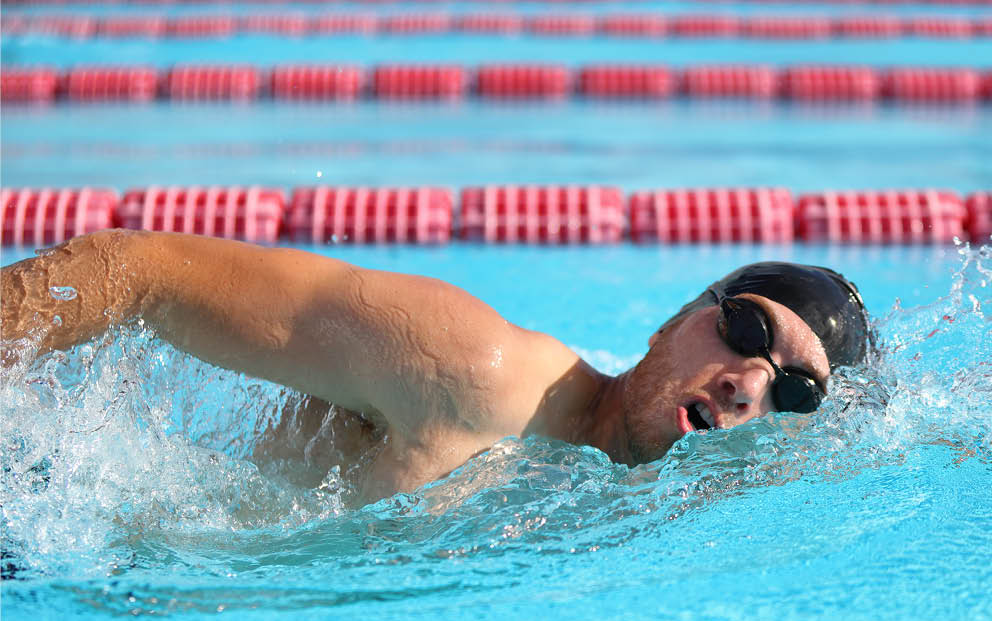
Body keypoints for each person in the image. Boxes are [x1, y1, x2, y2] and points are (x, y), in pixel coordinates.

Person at [1, 229, 870, 501]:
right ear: (675, 320)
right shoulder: (472, 371)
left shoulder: (699, 510)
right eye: (749, 333)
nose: (750, 382)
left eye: (794, 392)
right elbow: (133, 272)